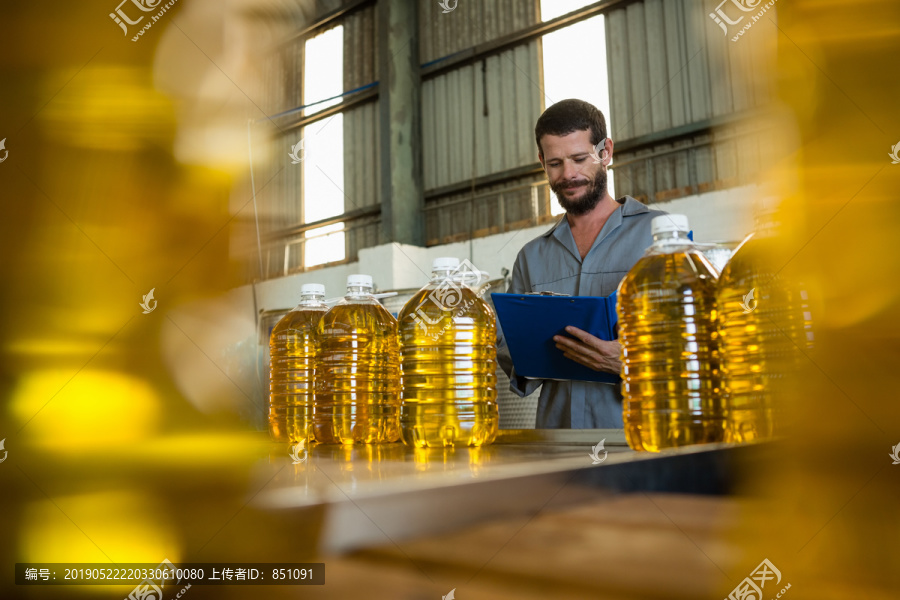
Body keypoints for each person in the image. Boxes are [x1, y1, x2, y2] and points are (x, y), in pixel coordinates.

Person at [497, 99, 667, 429]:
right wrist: (490, 334)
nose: (568, 174)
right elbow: (522, 368)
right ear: (542, 162)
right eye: (555, 163)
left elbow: (699, 342)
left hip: (641, 443)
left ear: (605, 152)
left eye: (579, 159)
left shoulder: (660, 236)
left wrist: (633, 360)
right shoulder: (532, 258)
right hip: (557, 446)